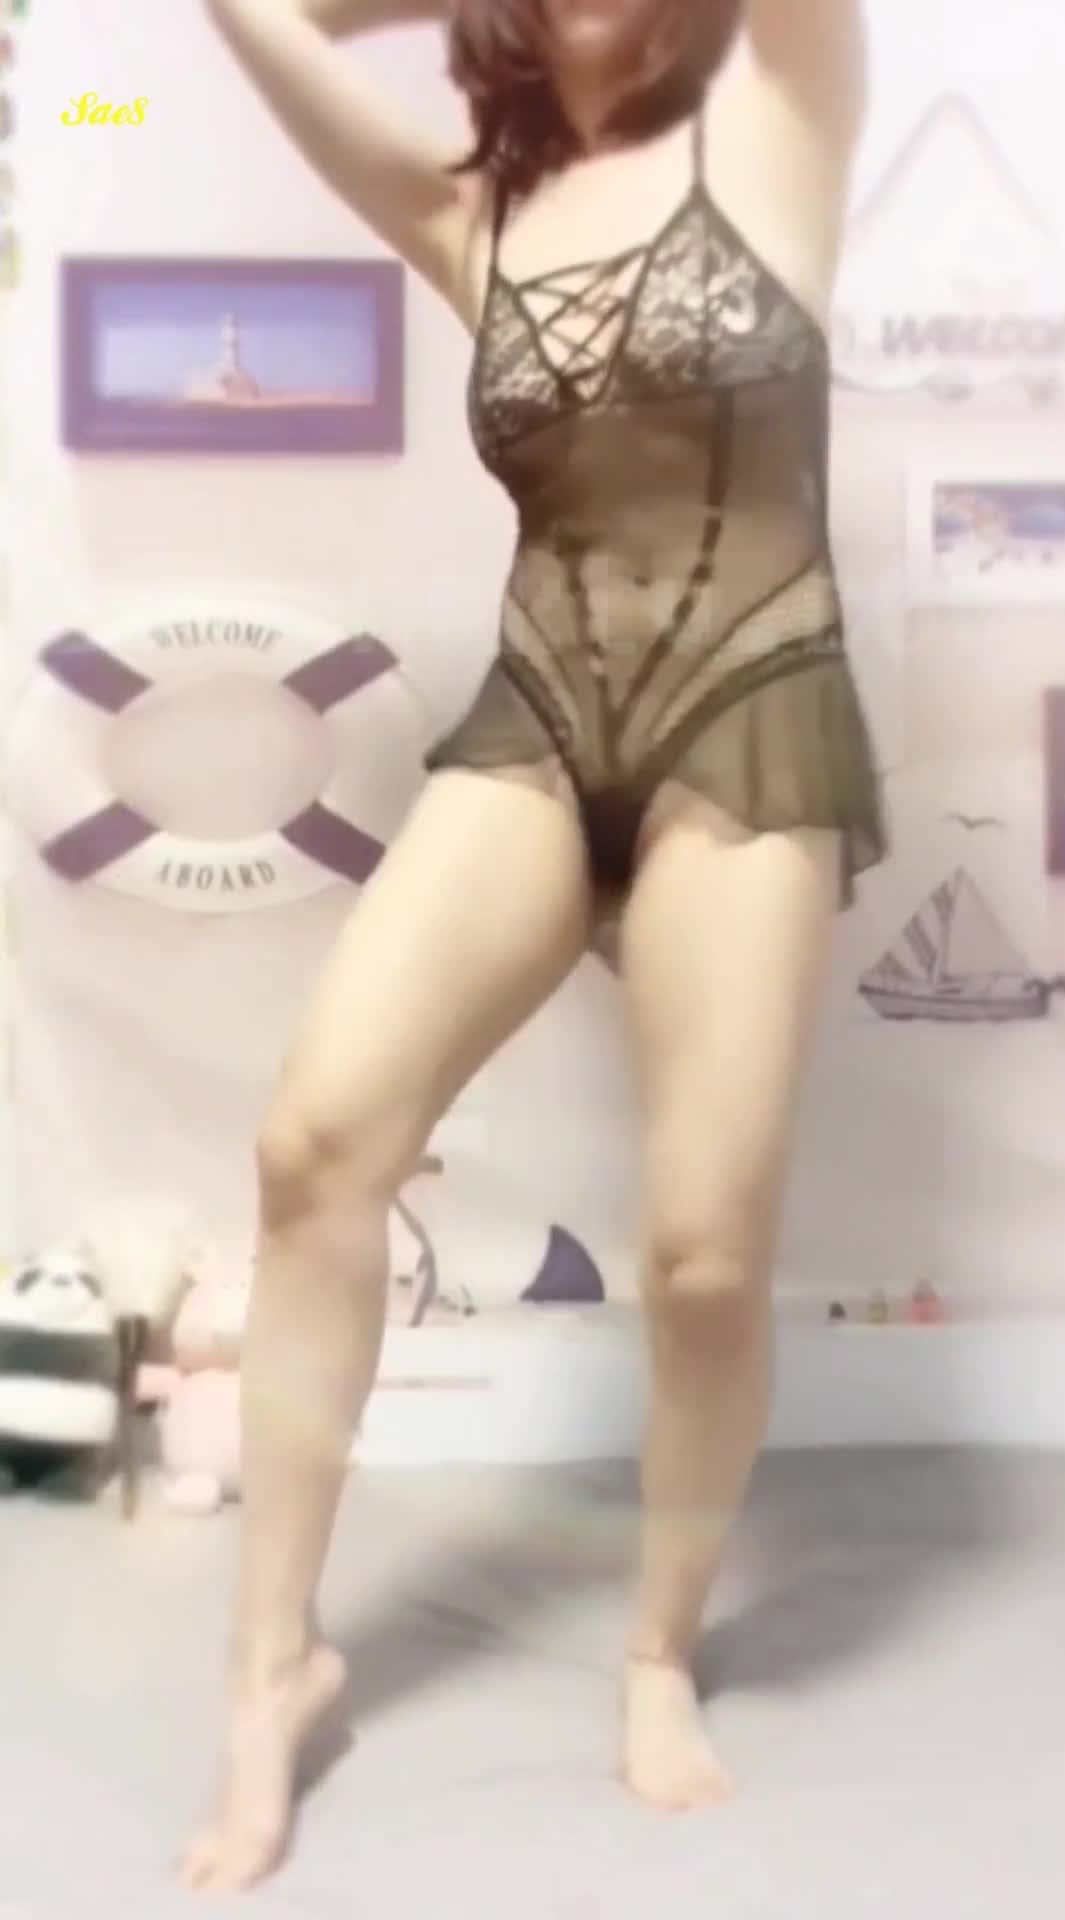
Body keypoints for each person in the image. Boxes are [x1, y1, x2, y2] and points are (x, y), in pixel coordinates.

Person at [184, 0, 885, 1891]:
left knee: (705, 1252)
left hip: (749, 710)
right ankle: (273, 1670)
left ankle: (656, 1647)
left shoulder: (782, 126)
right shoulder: (462, 207)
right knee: (314, 1148)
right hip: (542, 723)